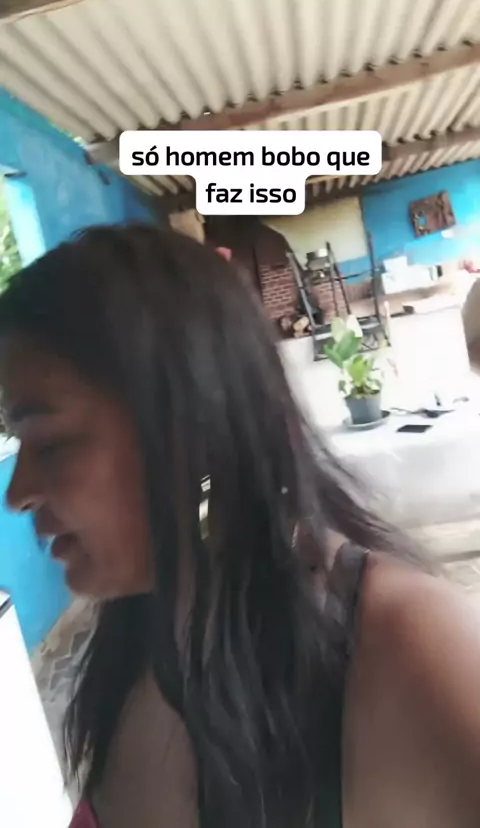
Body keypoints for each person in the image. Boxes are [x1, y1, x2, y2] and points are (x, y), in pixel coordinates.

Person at [0, 224, 479, 828]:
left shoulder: (411, 657)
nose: (17, 494)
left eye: (51, 442)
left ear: (190, 424)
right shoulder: (138, 636)